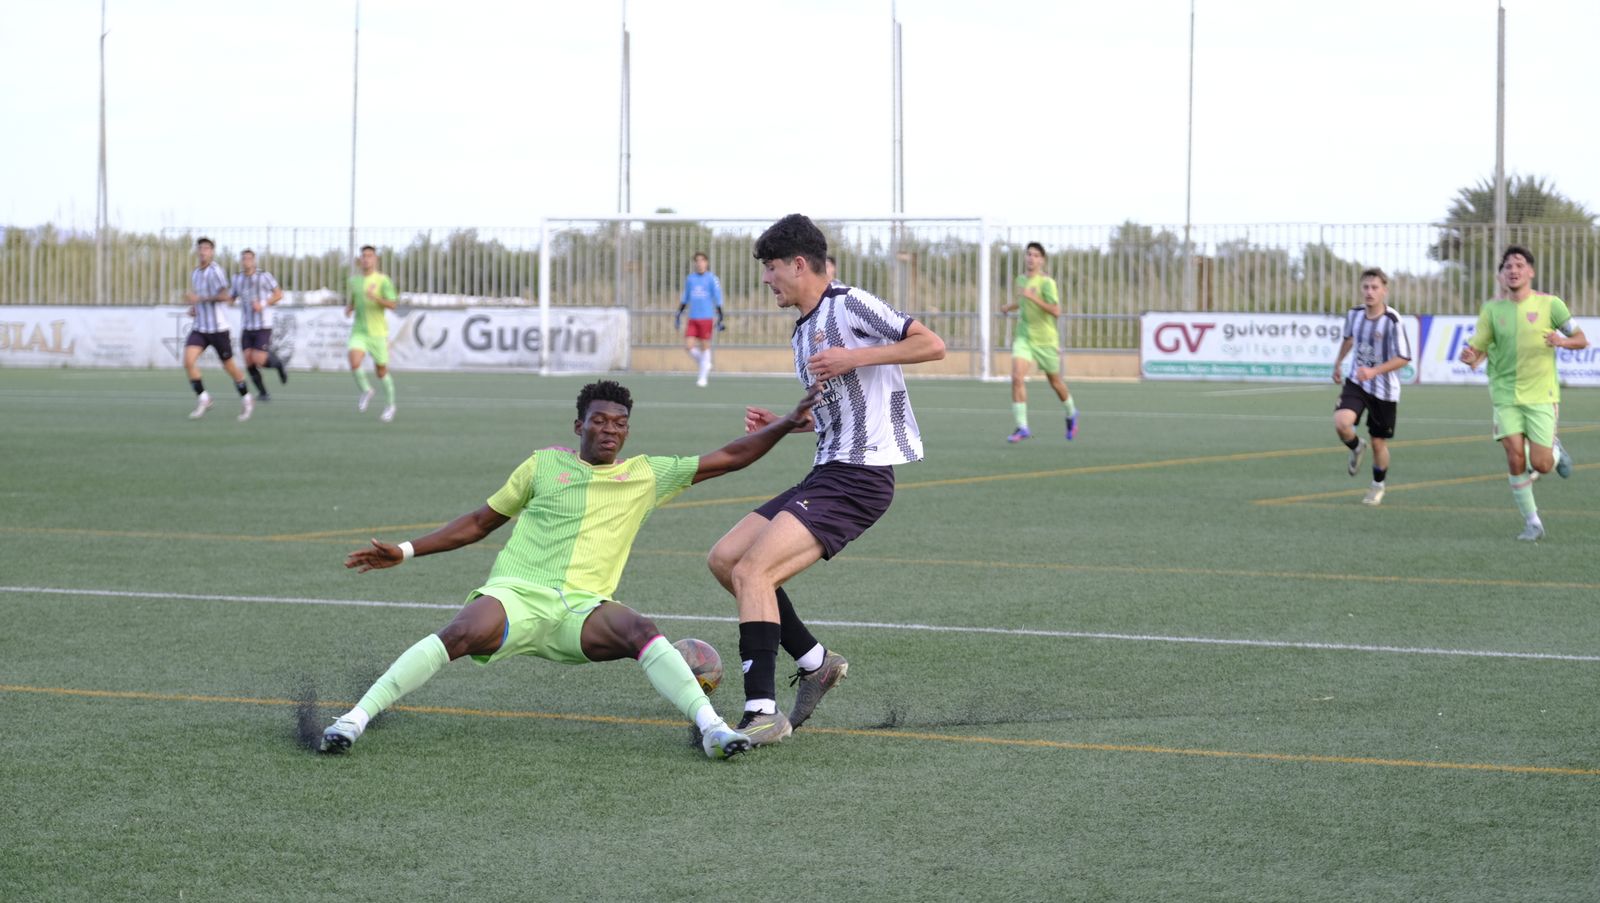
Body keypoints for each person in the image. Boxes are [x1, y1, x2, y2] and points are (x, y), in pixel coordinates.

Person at [321, 379, 821, 760]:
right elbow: (478, 523)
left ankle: (714, 731)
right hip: (516, 596)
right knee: (462, 631)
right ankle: (354, 719)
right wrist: (406, 551)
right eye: (599, 421)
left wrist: (787, 421)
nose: (610, 430)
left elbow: (732, 456)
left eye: (619, 423)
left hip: (582, 613)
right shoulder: (542, 466)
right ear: (578, 425)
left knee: (640, 629)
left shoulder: (646, 474)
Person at [706, 213, 946, 746]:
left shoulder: (848, 304)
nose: (766, 279)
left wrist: (854, 355)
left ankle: (762, 712)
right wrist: (788, 422)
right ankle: (815, 663)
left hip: (859, 478)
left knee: (753, 572)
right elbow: (834, 411)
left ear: (798, 264)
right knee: (726, 560)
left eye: (771, 268)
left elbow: (932, 344)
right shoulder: (801, 333)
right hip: (828, 469)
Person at [1458, 245, 1587, 540]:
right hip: (1504, 395)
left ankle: (1555, 452)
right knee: (1515, 456)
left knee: (1540, 463)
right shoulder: (1492, 310)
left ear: (1530, 272)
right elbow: (1478, 350)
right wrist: (1470, 358)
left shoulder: (1551, 305)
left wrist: (1560, 341)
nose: (1513, 270)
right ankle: (1533, 522)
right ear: (1500, 275)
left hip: (1542, 395)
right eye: (1507, 267)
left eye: (1519, 265)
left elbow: (1581, 339)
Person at [1330, 268, 1412, 506]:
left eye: (1375, 287)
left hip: (1385, 390)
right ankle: (1356, 447)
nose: (1369, 292)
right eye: (1366, 287)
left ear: (1384, 291)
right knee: (1342, 423)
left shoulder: (1392, 320)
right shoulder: (1354, 314)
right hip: (1357, 382)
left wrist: (1374, 371)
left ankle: (1377, 485)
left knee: (1379, 442)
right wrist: (1338, 363)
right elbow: (1348, 339)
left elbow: (1404, 357)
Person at [999, 242, 1077, 442]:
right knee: (1017, 377)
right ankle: (1022, 426)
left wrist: (1034, 298)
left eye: (1035, 255)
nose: (1031, 258)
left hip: (1046, 340)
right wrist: (1010, 306)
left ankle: (1070, 412)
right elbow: (1024, 301)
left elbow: (1056, 311)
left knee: (1055, 382)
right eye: (1028, 254)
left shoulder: (1047, 283)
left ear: (1042, 260)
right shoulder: (1022, 279)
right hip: (1024, 337)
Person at [181, 237, 253, 421]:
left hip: (218, 330)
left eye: (207, 248)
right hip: (200, 328)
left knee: (229, 367)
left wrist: (200, 300)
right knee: (188, 361)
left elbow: (225, 296)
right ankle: (204, 399)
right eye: (200, 248)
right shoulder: (195, 273)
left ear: (212, 252)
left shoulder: (216, 271)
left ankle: (246, 398)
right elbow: (201, 299)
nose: (203, 251)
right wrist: (195, 309)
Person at [345, 245, 398, 422]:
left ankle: (390, 405)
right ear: (360, 260)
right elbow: (354, 299)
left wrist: (375, 298)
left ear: (375, 259)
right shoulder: (354, 281)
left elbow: (392, 304)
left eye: (370, 256)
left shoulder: (383, 280)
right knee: (354, 361)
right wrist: (350, 308)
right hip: (359, 331)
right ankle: (367, 390)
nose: (366, 259)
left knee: (381, 371)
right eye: (363, 256)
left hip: (378, 333)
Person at [231, 249, 287, 402]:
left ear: (254, 261)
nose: (246, 261)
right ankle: (263, 393)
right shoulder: (237, 279)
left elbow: (279, 294)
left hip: (263, 325)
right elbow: (231, 297)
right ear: (241, 261)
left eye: (249, 259)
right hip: (247, 326)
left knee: (258, 358)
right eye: (244, 259)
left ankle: (279, 365)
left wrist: (263, 304)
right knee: (248, 360)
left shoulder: (264, 277)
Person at [676, 252, 725, 387]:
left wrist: (721, 315)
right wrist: (679, 313)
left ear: (706, 262)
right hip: (693, 317)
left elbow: (718, 297)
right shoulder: (690, 279)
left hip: (706, 317)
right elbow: (685, 297)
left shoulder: (712, 278)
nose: (699, 263)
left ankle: (702, 377)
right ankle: (705, 363)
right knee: (689, 346)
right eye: (697, 261)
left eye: (702, 261)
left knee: (704, 347)